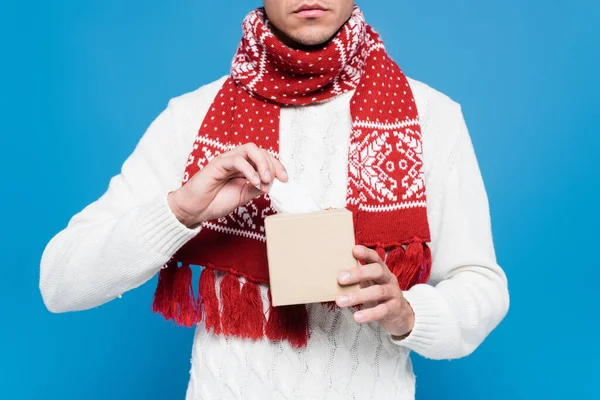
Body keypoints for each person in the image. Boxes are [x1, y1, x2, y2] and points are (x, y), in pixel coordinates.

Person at [40, 1, 510, 399]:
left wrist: (409, 314)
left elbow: (482, 286)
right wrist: (180, 210)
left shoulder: (431, 117)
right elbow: (59, 283)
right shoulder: (192, 118)